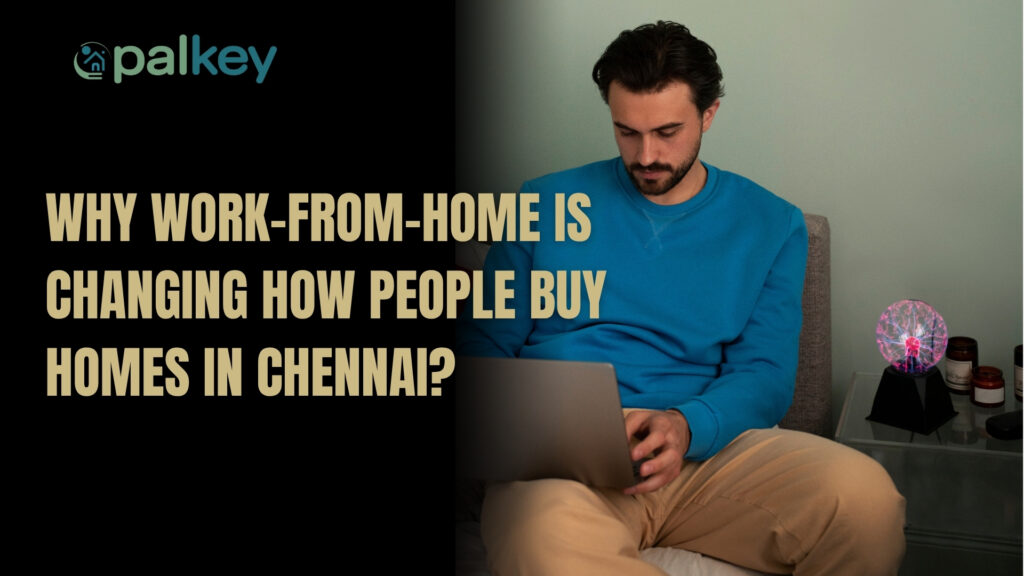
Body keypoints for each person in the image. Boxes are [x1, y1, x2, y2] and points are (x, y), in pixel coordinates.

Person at [456, 21, 905, 576]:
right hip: (563, 466)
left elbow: (765, 374)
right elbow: (482, 345)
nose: (646, 155)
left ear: (708, 114)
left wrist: (686, 425)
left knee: (865, 499)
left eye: (667, 132)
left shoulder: (772, 224)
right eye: (626, 132)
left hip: (708, 452)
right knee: (540, 542)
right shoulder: (542, 202)